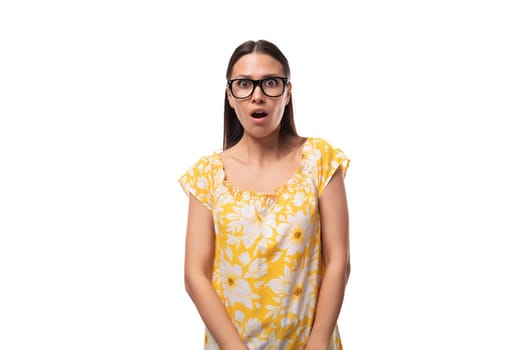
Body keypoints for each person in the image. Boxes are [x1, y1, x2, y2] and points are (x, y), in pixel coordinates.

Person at [179, 39, 351, 350]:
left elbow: (338, 259)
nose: (257, 96)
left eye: (270, 83)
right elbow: (195, 274)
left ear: (287, 92)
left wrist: (318, 343)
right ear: (230, 96)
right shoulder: (206, 175)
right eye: (244, 84)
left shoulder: (321, 160)